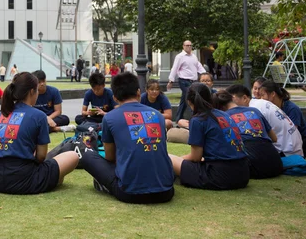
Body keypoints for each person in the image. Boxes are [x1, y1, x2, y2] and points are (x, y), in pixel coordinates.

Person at [80, 73, 174, 203]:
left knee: (86, 155)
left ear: (115, 97)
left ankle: (105, 184)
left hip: (129, 192)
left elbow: (110, 157)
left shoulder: (110, 117)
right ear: (138, 92)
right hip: (166, 192)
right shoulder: (157, 115)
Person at [0, 72, 79, 194]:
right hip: (23, 181)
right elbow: (41, 157)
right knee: (73, 156)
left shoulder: (2, 114)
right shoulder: (39, 116)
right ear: (32, 91)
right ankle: (53, 179)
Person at [169, 83, 249, 190]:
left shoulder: (198, 120)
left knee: (169, 157)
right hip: (244, 173)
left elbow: (195, 157)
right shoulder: (224, 114)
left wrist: (179, 159)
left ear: (189, 102)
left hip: (220, 175)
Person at [213, 90, 283, 179]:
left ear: (219, 108)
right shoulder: (255, 110)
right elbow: (274, 138)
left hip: (252, 167)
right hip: (276, 164)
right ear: (232, 99)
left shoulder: (223, 118)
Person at [226, 84, 303, 157]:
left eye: (232, 100)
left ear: (245, 98)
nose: (229, 105)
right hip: (294, 147)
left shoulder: (254, 110)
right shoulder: (259, 103)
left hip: (286, 151)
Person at [259, 81, 306, 157]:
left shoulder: (292, 109)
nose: (261, 99)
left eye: (263, 95)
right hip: (286, 141)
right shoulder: (272, 108)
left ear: (273, 94)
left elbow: (293, 133)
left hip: (303, 143)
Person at [167, 40, 206, 121]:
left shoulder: (194, 56)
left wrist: (205, 74)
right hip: (184, 81)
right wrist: (171, 81)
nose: (189, 47)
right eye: (187, 45)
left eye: (190, 45)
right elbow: (175, 68)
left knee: (184, 100)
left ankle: (178, 118)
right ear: (183, 46)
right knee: (191, 98)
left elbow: (198, 66)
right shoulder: (180, 56)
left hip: (193, 81)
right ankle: (195, 116)